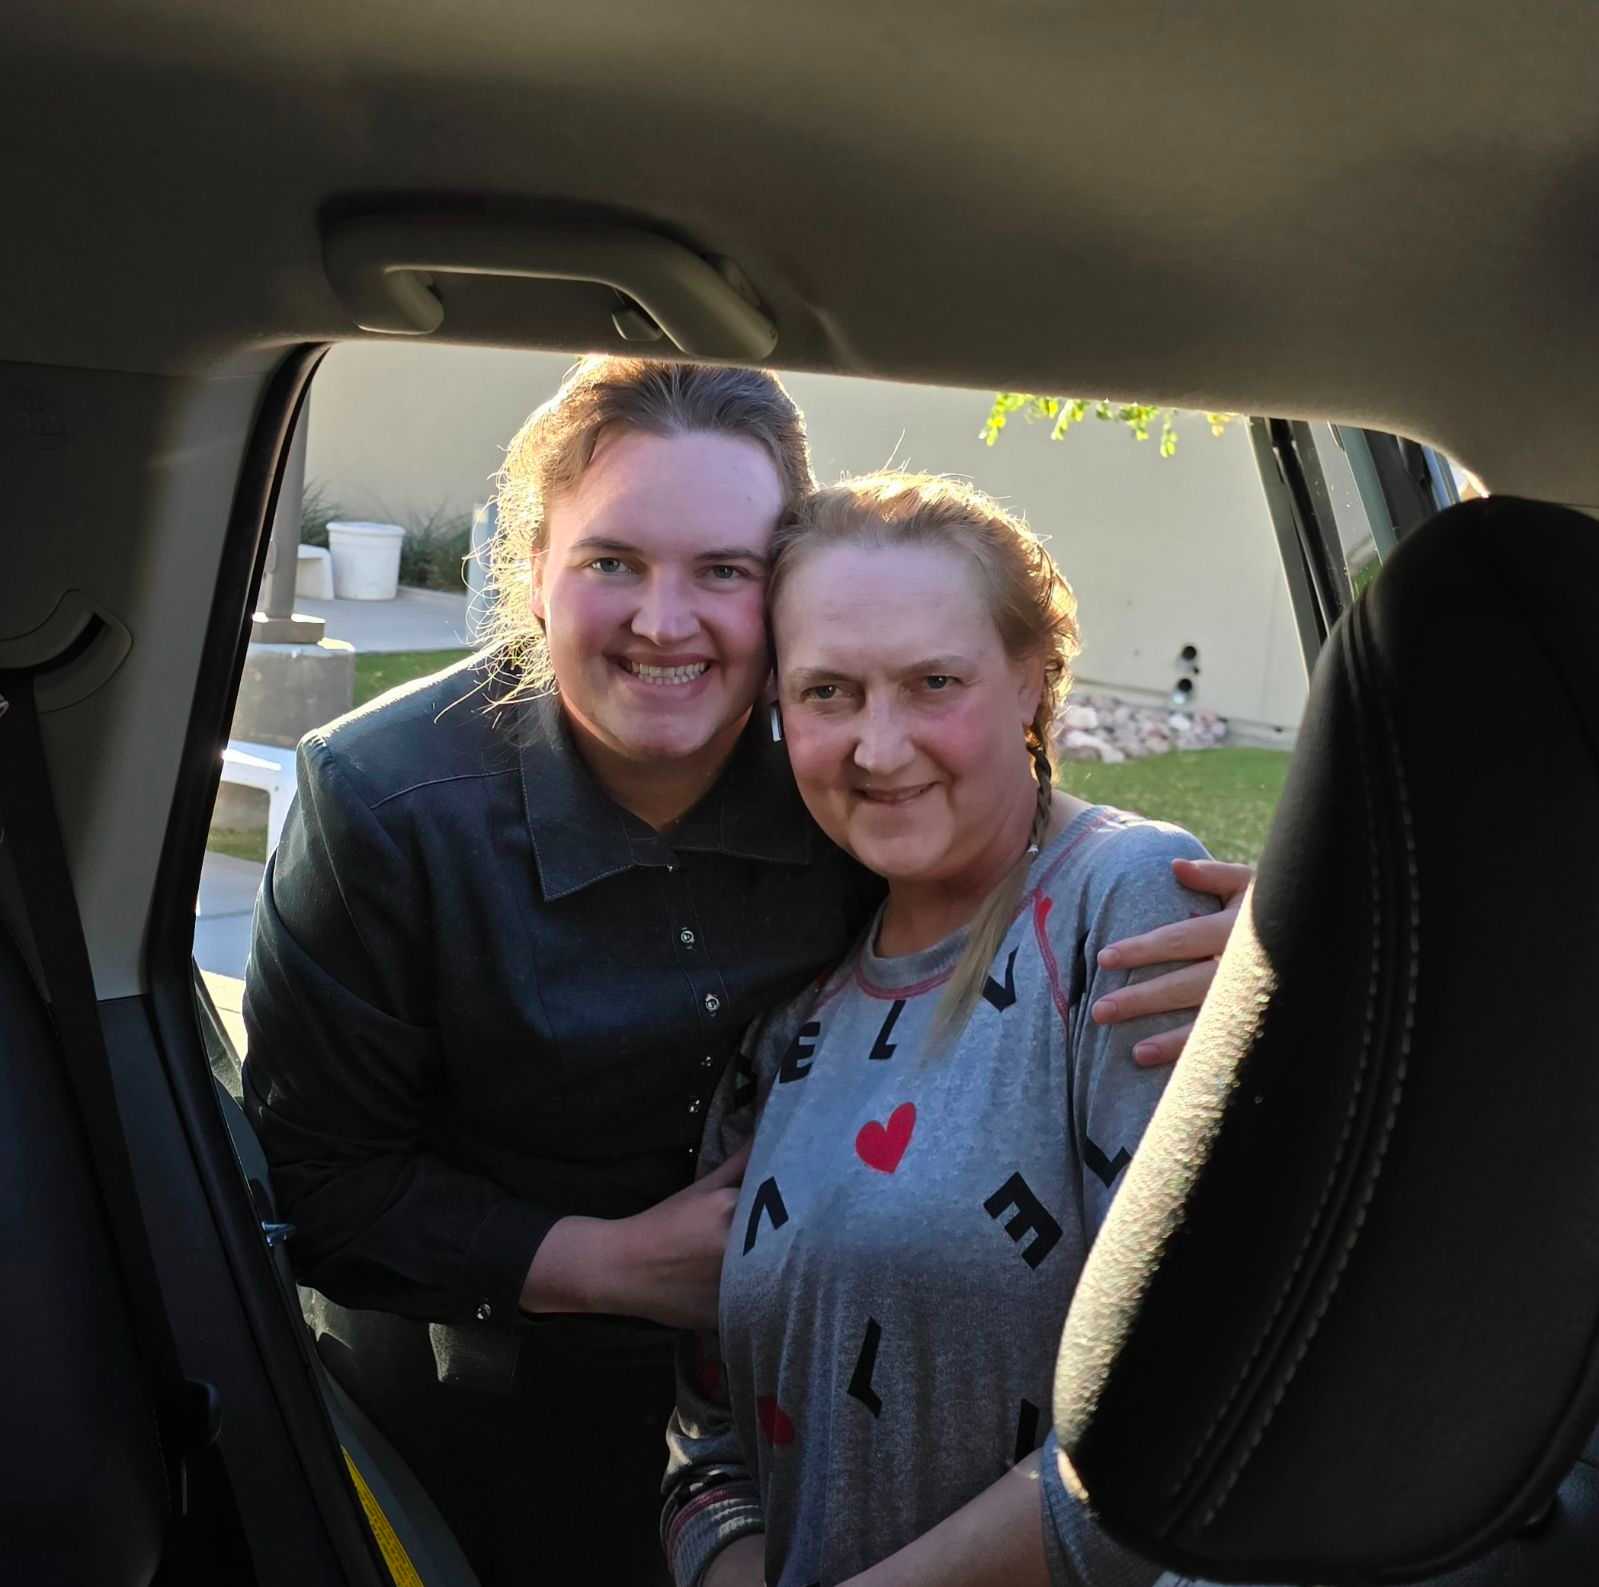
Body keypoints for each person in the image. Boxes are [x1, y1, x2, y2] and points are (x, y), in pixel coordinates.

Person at [243, 360, 1246, 1584]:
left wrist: (1286, 949)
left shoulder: (883, 803)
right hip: (495, 1417)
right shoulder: (387, 805)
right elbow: (315, 1186)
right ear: (532, 570)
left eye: (723, 570)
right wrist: (603, 1263)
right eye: (613, 561)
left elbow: (1195, 1373)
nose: (666, 622)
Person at [662, 473, 1208, 1587]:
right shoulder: (791, 1016)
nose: (879, 746)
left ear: (1032, 678)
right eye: (829, 692)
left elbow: (1188, 1399)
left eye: (934, 683)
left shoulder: (1125, 905)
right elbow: (706, 1440)